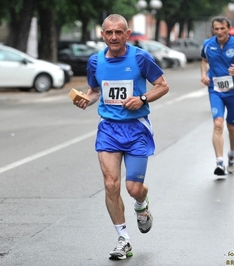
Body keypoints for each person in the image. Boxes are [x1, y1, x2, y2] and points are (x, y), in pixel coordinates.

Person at [73, 14, 169, 260]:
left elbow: (162, 85)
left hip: (136, 129)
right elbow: (94, 91)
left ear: (127, 34)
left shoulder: (139, 57)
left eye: (119, 32)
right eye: (108, 32)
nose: (113, 37)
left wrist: (142, 99)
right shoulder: (95, 61)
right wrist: (86, 99)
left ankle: (142, 204)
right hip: (109, 129)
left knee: (133, 188)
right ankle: (123, 239)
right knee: (111, 184)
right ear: (102, 35)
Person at [200, 16, 234, 176]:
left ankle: (232, 154)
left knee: (231, 126)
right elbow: (203, 60)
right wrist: (204, 74)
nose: (219, 32)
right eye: (216, 29)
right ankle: (219, 162)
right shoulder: (208, 44)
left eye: (222, 28)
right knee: (218, 124)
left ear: (228, 28)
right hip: (215, 89)